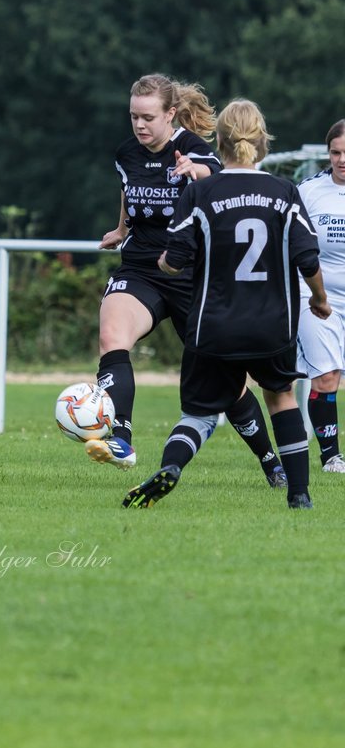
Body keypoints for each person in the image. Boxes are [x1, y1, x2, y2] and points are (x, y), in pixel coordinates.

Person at [123, 98, 330, 510]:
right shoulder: (284, 191)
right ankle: (299, 494)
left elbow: (174, 260)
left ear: (217, 141)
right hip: (272, 323)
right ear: (262, 142)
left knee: (199, 414)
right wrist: (321, 300)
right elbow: (307, 258)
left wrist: (164, 262)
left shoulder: (201, 191)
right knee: (281, 397)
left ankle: (172, 467)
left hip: (213, 323)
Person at [88, 74, 287, 488]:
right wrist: (122, 228)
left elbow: (214, 185)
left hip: (190, 274)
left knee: (226, 385)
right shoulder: (127, 153)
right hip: (142, 267)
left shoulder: (198, 152)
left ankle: (271, 461)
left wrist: (195, 171)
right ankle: (121, 438)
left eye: (148, 117)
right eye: (133, 117)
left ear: (171, 114)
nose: (139, 126)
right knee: (112, 336)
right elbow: (129, 190)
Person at [295, 119, 345, 473]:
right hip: (317, 298)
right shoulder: (309, 191)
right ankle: (331, 458)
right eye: (336, 152)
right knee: (326, 377)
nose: (342, 159)